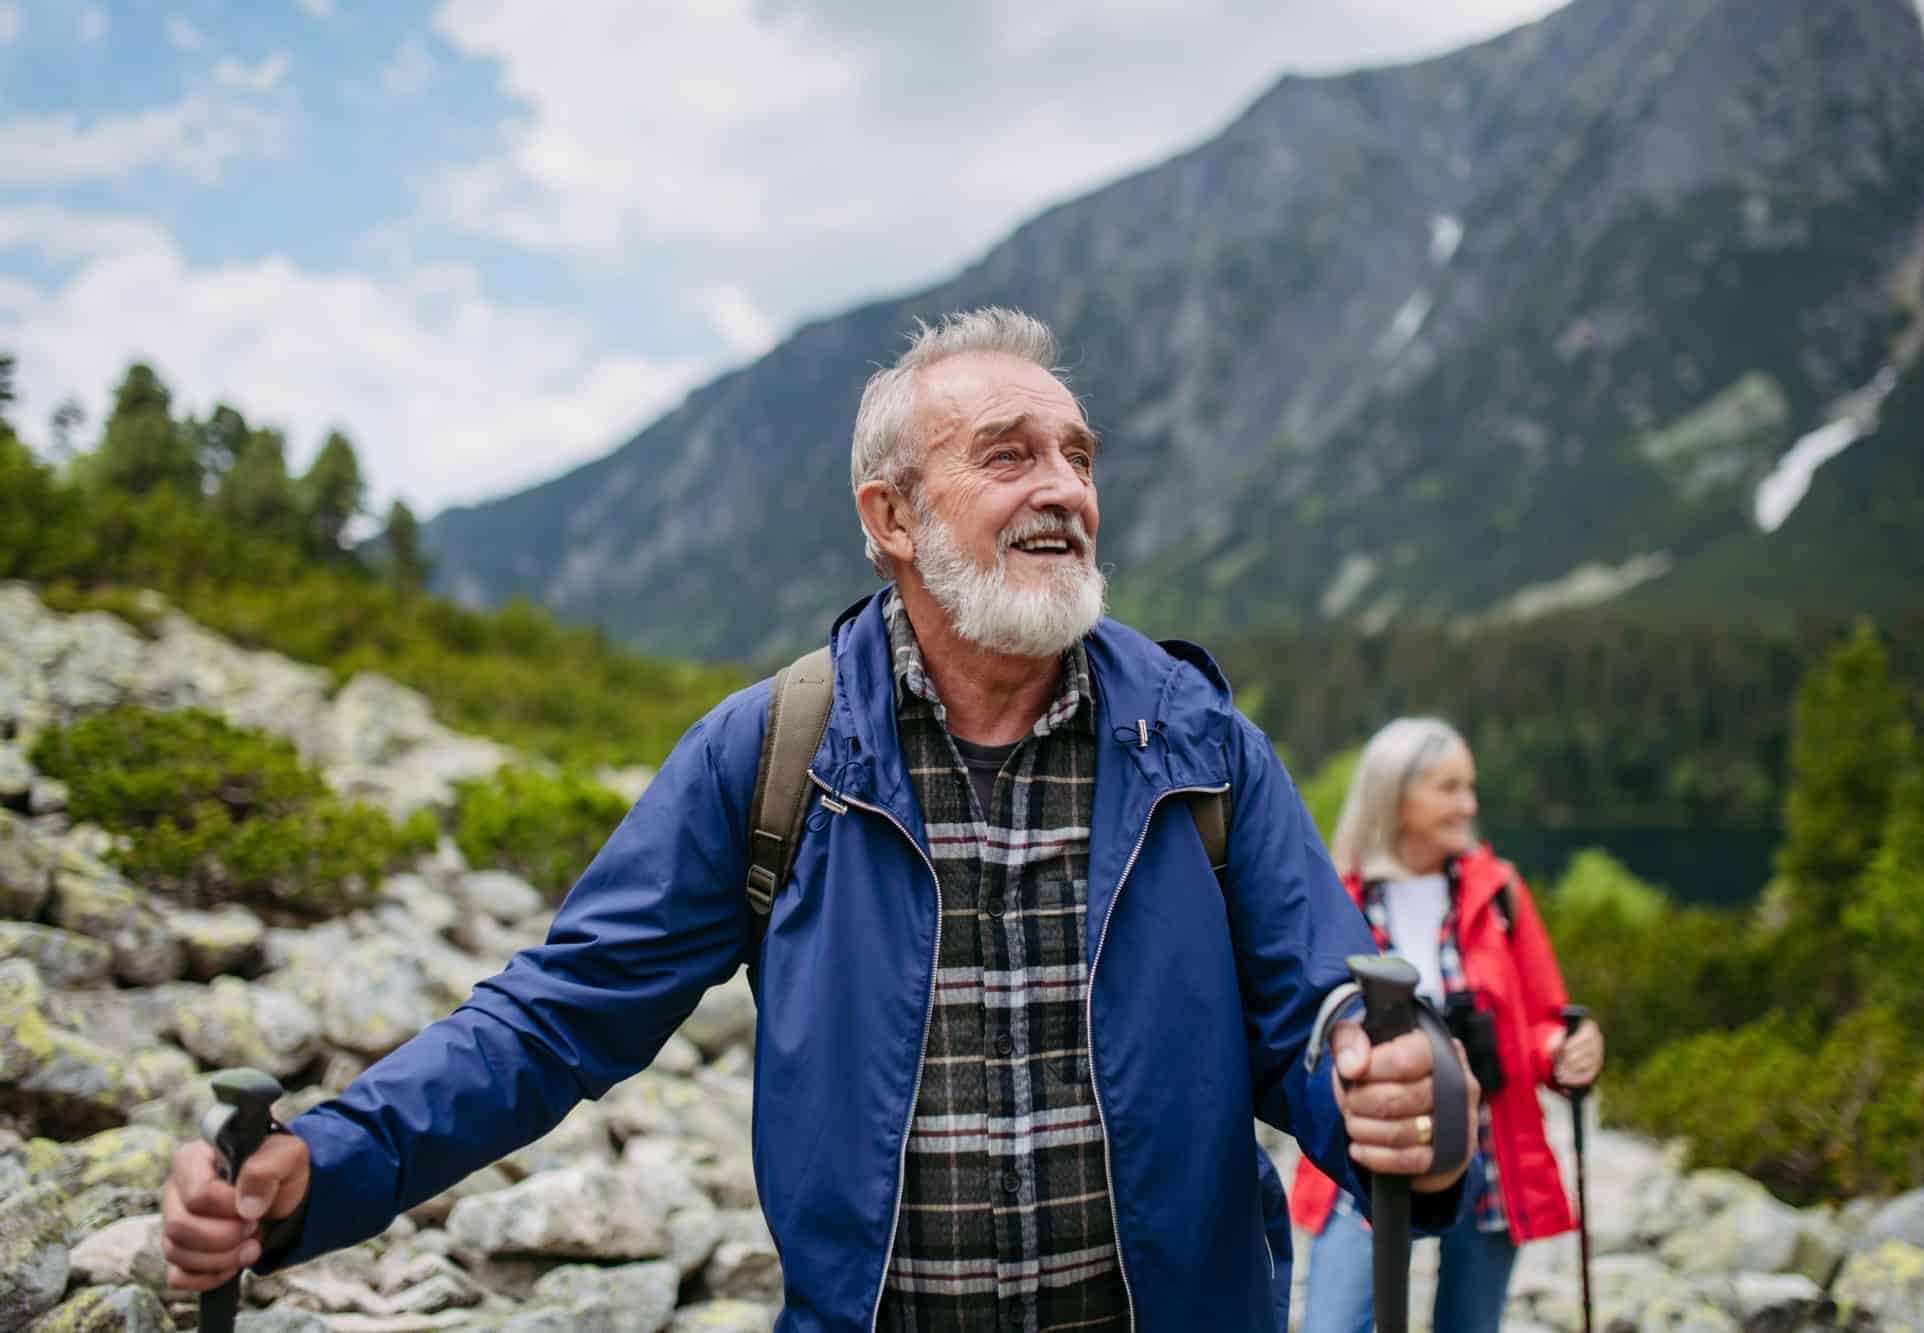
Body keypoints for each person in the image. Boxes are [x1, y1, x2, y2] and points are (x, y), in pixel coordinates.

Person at [161, 309, 1477, 1332]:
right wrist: (327, 1161)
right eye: (1008, 454)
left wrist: (1408, 1096)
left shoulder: (1201, 748)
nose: (1064, 489)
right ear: (890, 516)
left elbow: (1328, 1013)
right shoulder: (777, 754)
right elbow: (557, 1017)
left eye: (1077, 455)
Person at [1291, 717, 1605, 1333]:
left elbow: (1540, 1021)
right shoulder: (1337, 896)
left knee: (1471, 1322)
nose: (1470, 805)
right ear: (1396, 797)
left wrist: (1565, 1048)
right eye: (1449, 788)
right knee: (1339, 1320)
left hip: (1490, 1149)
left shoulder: (1500, 894)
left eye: (1470, 787)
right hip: (1369, 1145)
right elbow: (1304, 1024)